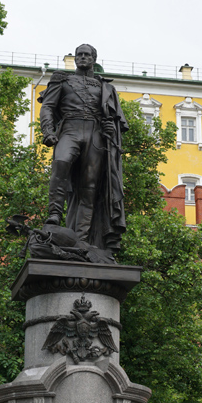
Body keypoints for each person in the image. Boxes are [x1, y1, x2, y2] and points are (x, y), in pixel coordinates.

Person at [37, 44, 128, 261]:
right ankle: (54, 215)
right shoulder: (62, 80)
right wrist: (48, 131)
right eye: (80, 55)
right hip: (70, 128)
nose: (83, 58)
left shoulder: (105, 87)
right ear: (75, 58)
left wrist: (110, 128)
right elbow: (47, 106)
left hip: (96, 135)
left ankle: (81, 239)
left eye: (87, 55)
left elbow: (114, 120)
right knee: (60, 163)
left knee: (90, 187)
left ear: (94, 59)